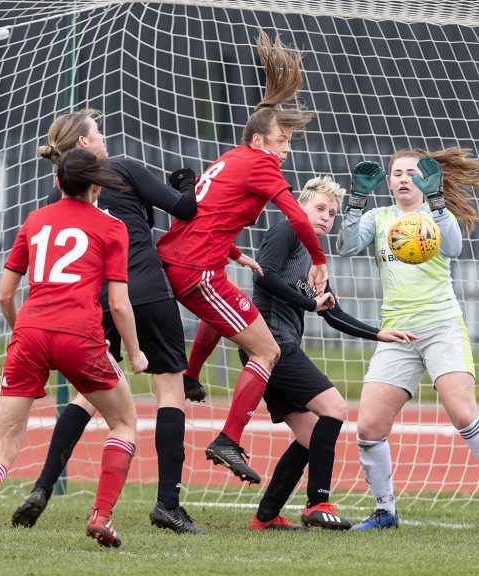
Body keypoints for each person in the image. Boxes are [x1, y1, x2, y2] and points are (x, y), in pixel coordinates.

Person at [9, 109, 204, 534]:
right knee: (170, 386)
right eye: (97, 133)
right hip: (145, 290)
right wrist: (185, 179)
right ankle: (168, 503)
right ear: (83, 143)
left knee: (90, 394)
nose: (104, 138)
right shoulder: (123, 169)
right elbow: (186, 210)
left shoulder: (67, 191)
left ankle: (43, 486)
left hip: (98, 298)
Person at [0, 148, 147, 550]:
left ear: (57, 182)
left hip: (30, 333)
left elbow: (4, 295)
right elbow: (119, 304)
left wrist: (25, 335)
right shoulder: (112, 227)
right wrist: (136, 353)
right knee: (123, 423)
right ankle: (101, 517)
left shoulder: (35, 220)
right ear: (96, 187)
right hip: (80, 337)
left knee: (4, 445)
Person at [156, 30, 328, 485]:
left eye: (287, 142)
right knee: (265, 348)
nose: (285, 150)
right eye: (280, 140)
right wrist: (319, 258)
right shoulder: (259, 163)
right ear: (257, 140)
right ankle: (228, 438)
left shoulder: (229, 159)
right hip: (195, 271)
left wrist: (235, 252)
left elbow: (202, 213)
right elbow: (295, 213)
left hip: (177, 261)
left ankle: (193, 377)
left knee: (228, 312)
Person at [337, 147, 479, 530]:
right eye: (396, 173)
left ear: (426, 181)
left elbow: (454, 247)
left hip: (441, 326)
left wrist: (438, 202)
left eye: (412, 172)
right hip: (396, 332)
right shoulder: (379, 217)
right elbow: (347, 245)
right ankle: (385, 511)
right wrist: (356, 202)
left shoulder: (435, 215)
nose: (403, 178)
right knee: (368, 427)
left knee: (462, 412)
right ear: (387, 181)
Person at [223, 176, 412, 531]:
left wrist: (377, 333)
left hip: (275, 351)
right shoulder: (287, 230)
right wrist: (311, 302)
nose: (327, 217)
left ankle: (265, 518)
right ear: (301, 208)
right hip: (270, 344)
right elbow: (264, 278)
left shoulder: (315, 257)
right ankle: (318, 502)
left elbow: (331, 311)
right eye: (320, 209)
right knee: (335, 409)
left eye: (332, 213)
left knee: (312, 437)